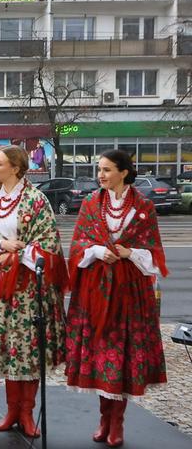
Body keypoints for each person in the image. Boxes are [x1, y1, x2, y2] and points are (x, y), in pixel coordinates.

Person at [65, 149, 168, 447]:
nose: (101, 175)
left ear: (124, 172)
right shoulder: (90, 203)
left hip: (129, 292)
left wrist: (129, 253)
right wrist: (97, 251)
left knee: (121, 358)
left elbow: (155, 255)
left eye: (107, 169)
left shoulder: (144, 207)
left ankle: (118, 422)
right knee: (101, 356)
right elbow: (78, 245)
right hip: (95, 291)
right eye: (99, 169)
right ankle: (103, 418)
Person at [0, 146, 68, 438]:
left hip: (30, 288)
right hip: (2, 285)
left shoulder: (36, 200)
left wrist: (18, 253)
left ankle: (27, 411)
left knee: (28, 349)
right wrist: (2, 246)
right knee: (7, 349)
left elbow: (49, 244)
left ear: (15, 168)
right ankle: (12, 409)